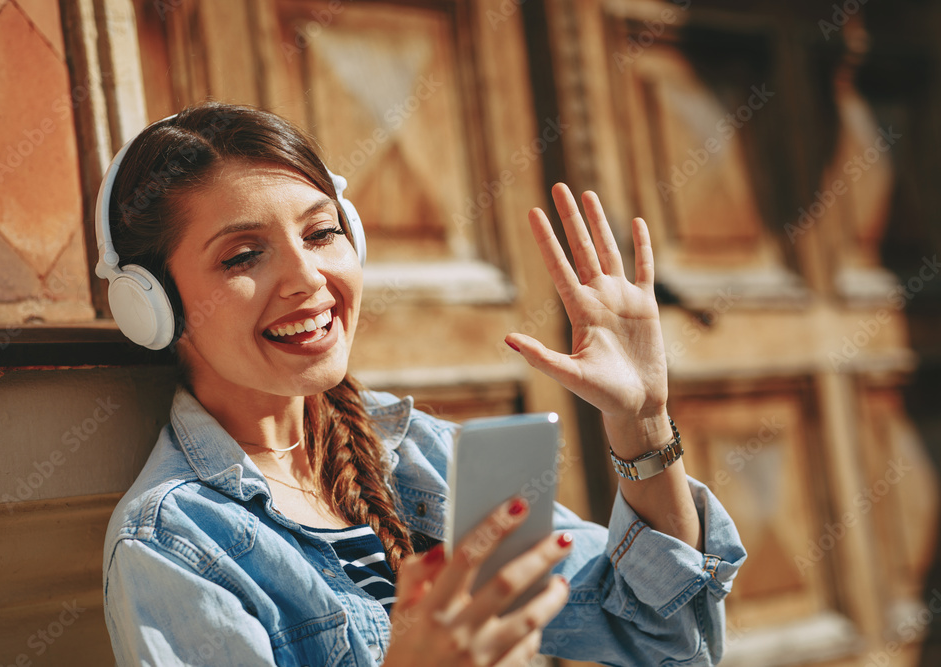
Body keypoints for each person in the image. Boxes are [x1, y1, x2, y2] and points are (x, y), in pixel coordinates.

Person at [101, 102, 746, 666]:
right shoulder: (171, 545)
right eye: (242, 255)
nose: (308, 278)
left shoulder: (421, 455)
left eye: (322, 232)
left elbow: (672, 638)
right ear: (154, 305)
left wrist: (643, 423)